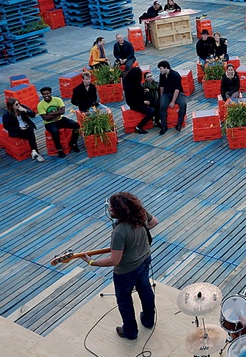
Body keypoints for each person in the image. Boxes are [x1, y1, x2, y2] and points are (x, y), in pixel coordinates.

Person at [85, 192, 159, 340]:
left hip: (126, 272)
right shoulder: (141, 214)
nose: (109, 209)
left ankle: (130, 332)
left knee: (124, 300)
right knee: (145, 289)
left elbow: (115, 260)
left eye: (111, 207)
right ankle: (148, 321)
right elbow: (154, 222)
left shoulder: (119, 232)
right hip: (145, 260)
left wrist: (92, 262)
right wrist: (138, 238)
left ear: (118, 211)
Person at [37, 87, 80, 158]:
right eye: (44, 94)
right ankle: (59, 149)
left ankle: (73, 143)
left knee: (76, 125)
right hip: (49, 123)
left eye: (47, 93)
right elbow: (45, 118)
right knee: (55, 133)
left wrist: (49, 114)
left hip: (60, 119)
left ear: (50, 93)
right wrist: (57, 113)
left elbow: (62, 111)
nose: (46, 95)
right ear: (42, 95)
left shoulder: (58, 100)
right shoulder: (40, 105)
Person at [123, 65, 158, 134]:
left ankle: (156, 121)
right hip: (135, 103)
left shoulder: (135, 83)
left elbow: (138, 93)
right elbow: (131, 100)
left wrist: (143, 92)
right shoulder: (129, 87)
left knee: (157, 104)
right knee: (150, 113)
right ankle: (139, 127)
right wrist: (143, 102)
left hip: (141, 98)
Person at [155, 61, 187, 134]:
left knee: (183, 104)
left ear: (166, 68)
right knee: (162, 105)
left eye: (161, 69)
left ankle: (179, 124)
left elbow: (177, 89)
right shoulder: (162, 75)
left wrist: (173, 101)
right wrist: (161, 96)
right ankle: (164, 126)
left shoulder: (175, 75)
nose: (160, 70)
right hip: (167, 93)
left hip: (177, 93)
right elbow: (161, 86)